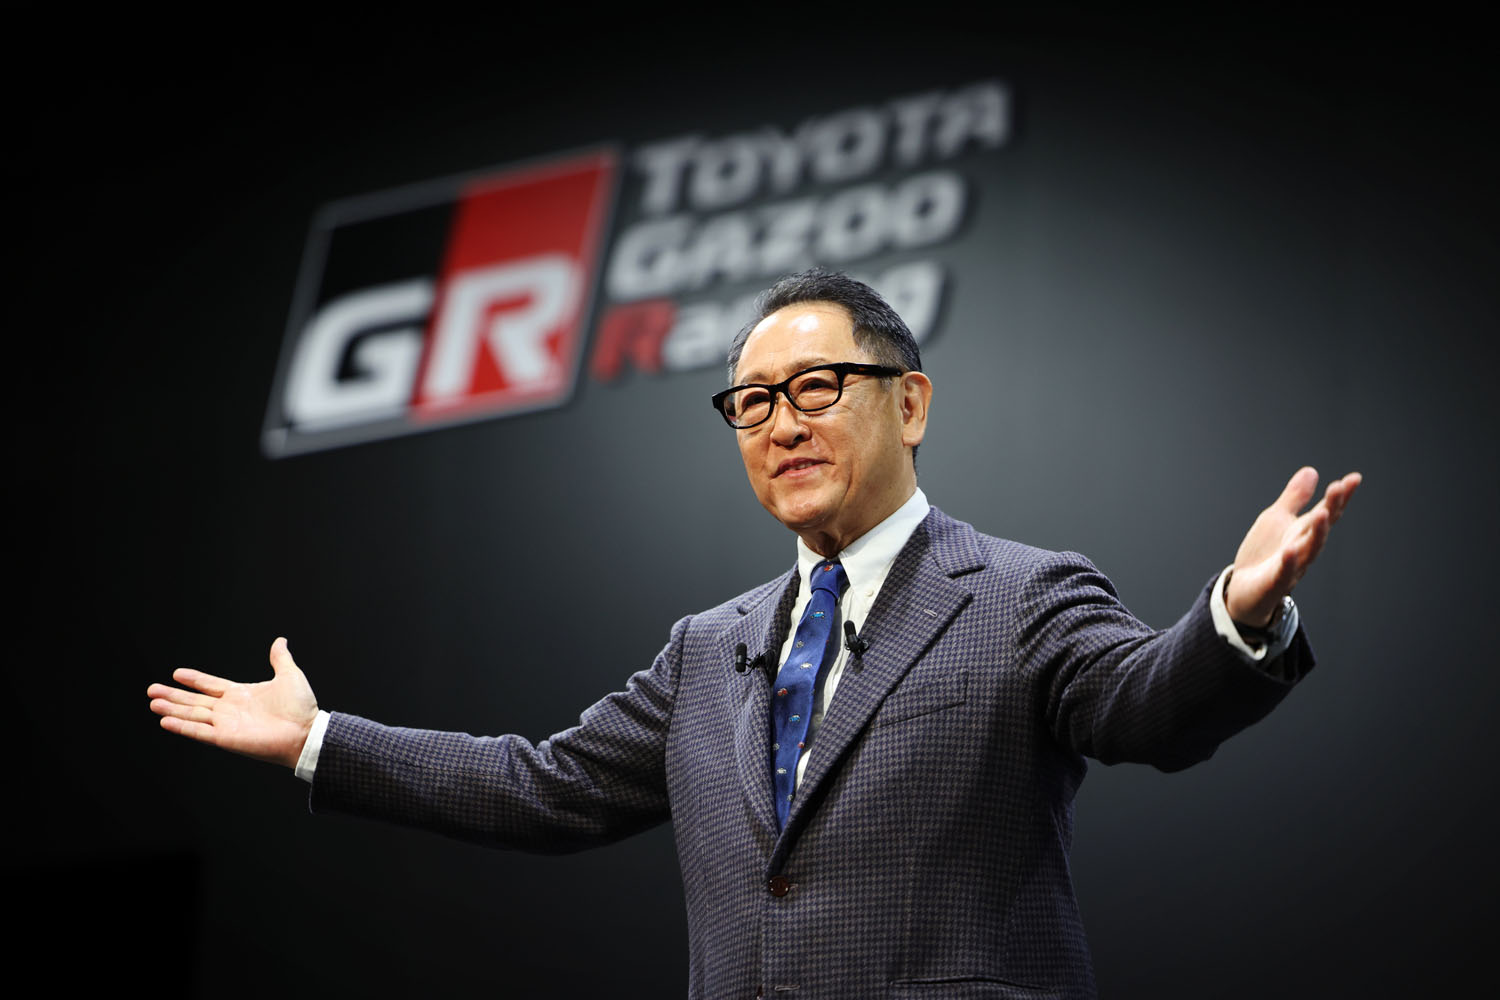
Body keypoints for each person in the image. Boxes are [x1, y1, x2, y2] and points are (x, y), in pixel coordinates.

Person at [148, 268, 1360, 998]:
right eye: (752, 403)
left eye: (817, 387)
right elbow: (543, 786)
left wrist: (1237, 614)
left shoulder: (1020, 594)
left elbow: (1148, 704)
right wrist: (320, 741)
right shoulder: (704, 649)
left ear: (910, 403)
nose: (781, 424)